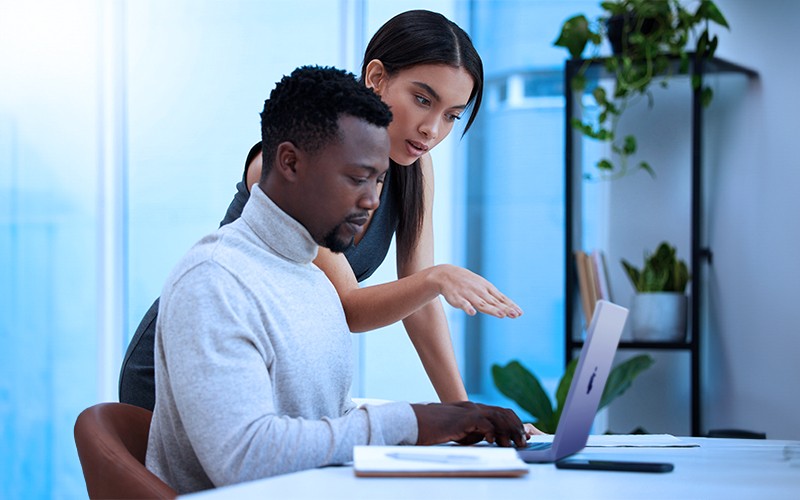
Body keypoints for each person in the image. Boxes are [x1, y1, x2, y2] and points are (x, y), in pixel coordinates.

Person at [145, 65, 528, 494]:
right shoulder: (214, 281)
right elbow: (246, 457)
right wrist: (416, 420)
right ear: (290, 162)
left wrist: (451, 419)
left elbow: (324, 422)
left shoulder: (310, 283)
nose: (372, 201)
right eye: (357, 178)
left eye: (380, 179)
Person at [120, 9, 521, 411]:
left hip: (267, 369)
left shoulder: (413, 167)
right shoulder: (294, 162)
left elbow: (419, 307)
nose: (432, 130)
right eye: (422, 100)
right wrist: (438, 278)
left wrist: (466, 413)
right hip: (192, 358)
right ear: (377, 78)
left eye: (451, 116)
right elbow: (347, 306)